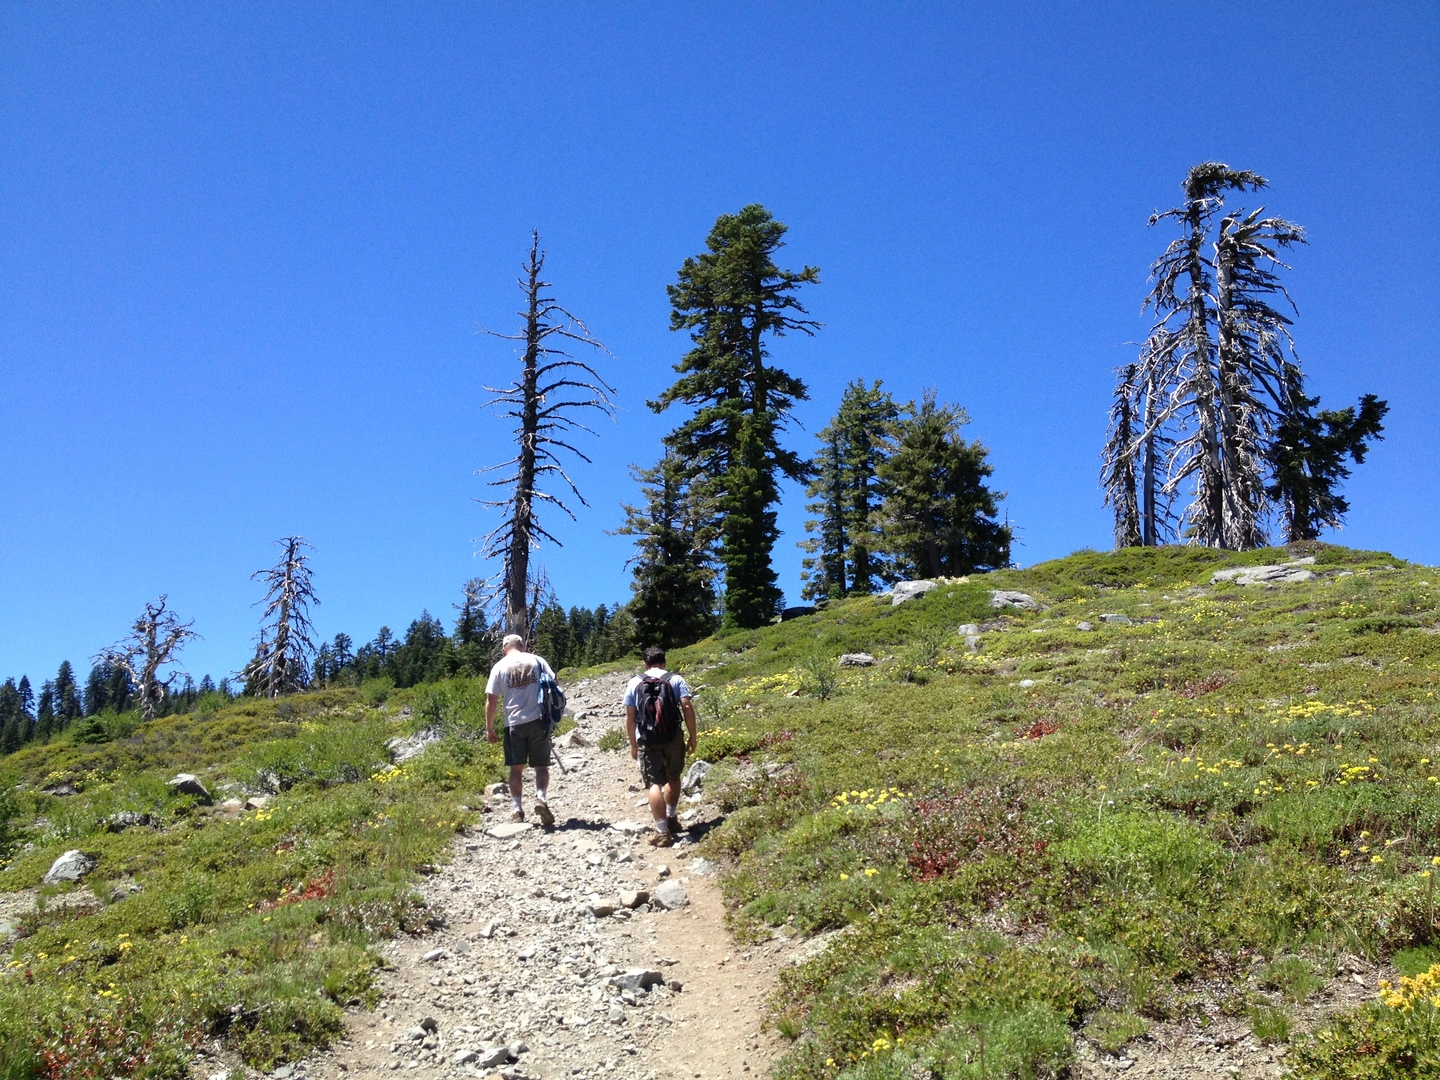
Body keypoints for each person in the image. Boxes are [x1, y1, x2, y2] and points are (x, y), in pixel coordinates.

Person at [624, 646, 698, 847]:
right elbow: (687, 706)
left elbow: (630, 717)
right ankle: (671, 817)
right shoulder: (675, 679)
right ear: (664, 662)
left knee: (654, 783)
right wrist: (693, 736)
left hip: (648, 738)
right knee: (673, 776)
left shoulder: (635, 682)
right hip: (673, 735)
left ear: (645, 664)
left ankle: (662, 831)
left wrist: (633, 744)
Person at [485, 633, 559, 827]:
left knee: (516, 769)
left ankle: (517, 809)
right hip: (538, 720)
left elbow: (491, 699)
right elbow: (554, 683)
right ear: (522, 645)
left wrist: (489, 728)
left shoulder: (499, 666)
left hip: (513, 723)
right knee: (541, 766)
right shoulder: (537, 660)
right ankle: (541, 798)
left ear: (504, 648)